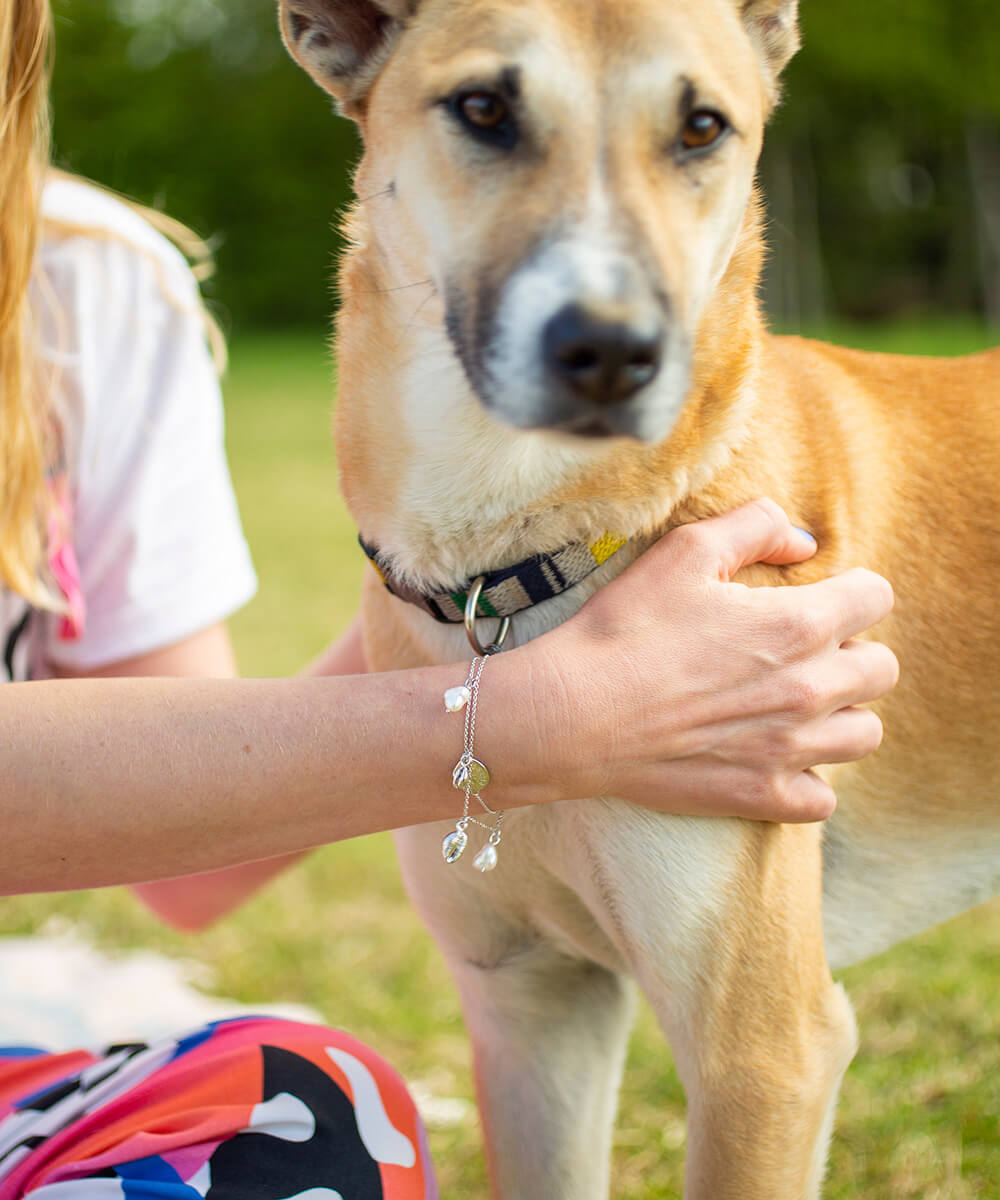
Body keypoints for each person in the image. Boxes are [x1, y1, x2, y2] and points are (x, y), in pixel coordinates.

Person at [0, 2, 899, 1197]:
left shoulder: (89, 286)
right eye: (489, 115)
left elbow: (186, 864)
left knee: (315, 1121)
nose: (607, 298)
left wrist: (474, 624)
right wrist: (522, 719)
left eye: (690, 135)